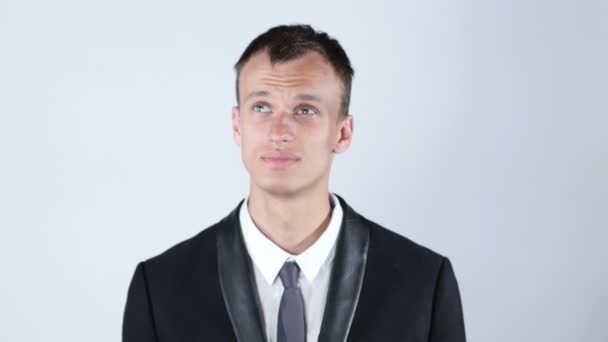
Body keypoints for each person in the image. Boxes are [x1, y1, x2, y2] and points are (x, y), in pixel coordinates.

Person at [122, 24, 466, 342]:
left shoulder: (423, 284)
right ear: (237, 125)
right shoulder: (161, 288)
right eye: (261, 107)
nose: (279, 132)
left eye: (305, 110)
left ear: (343, 133)